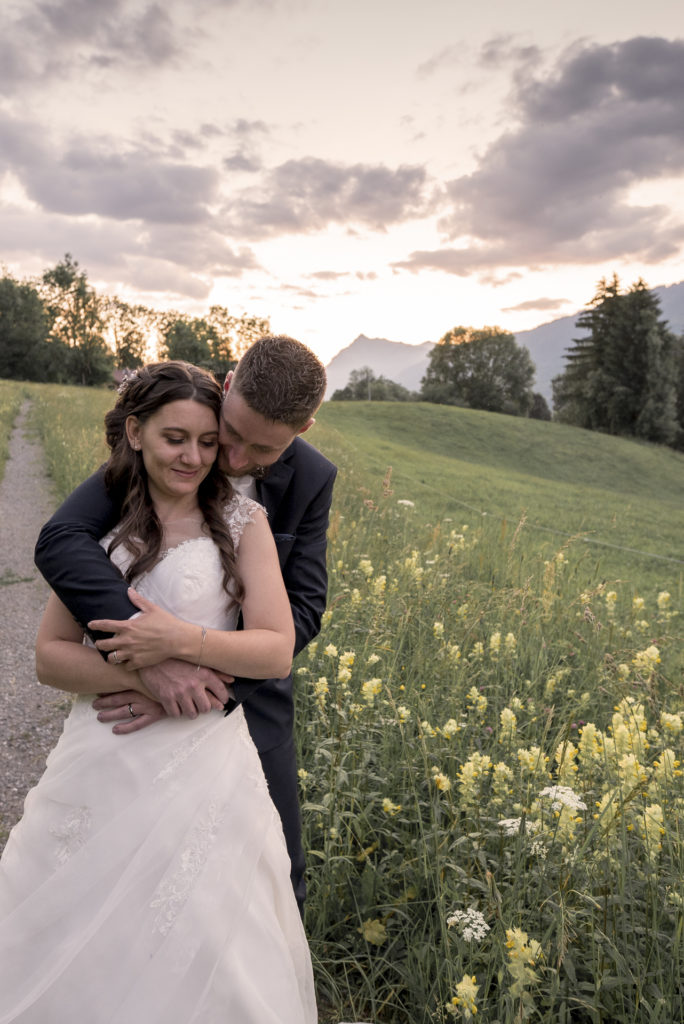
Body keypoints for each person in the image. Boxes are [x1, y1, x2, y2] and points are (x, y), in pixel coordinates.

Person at [0, 361, 318, 1022]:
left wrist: (178, 647)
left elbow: (277, 645)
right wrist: (143, 674)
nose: (201, 456)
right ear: (136, 431)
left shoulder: (243, 521)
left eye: (208, 443)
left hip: (207, 762)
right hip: (105, 755)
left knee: (206, 932)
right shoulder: (102, 527)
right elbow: (50, 658)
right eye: (179, 438)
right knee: (80, 920)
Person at [34, 335, 337, 910]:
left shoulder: (309, 481)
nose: (234, 458)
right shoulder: (157, 460)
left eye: (263, 450)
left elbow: (303, 610)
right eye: (232, 434)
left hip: (247, 698)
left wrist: (200, 679)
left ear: (303, 430)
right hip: (120, 720)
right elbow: (63, 541)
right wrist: (152, 666)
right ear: (226, 388)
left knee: (270, 874)